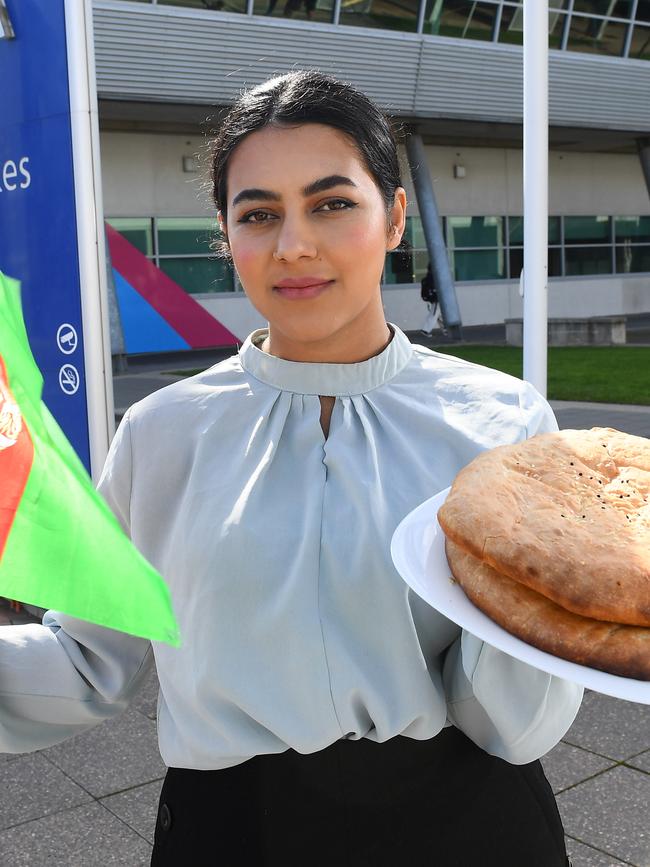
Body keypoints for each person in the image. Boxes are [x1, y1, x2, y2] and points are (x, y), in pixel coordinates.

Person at [0, 71, 581, 866]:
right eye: (259, 213)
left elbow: (519, 703)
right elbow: (87, 659)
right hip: (234, 831)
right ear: (226, 233)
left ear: (395, 216)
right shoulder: (162, 432)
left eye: (332, 203)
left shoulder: (503, 423)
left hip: (467, 822)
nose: (293, 245)